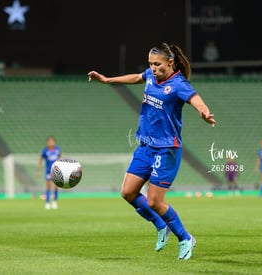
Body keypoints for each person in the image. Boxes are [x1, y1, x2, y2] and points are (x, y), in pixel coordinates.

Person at [88, 42, 216, 260]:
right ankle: (160, 225)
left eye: (157, 64)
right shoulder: (151, 75)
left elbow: (196, 100)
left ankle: (185, 238)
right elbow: (137, 77)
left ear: (170, 62)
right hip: (145, 146)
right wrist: (108, 80)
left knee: (155, 202)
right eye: (150, 64)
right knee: (128, 192)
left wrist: (204, 112)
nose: (153, 68)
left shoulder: (178, 84)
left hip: (166, 149)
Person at [37, 136, 61, 210]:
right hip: (48, 171)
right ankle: (47, 203)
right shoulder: (45, 151)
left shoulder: (57, 149)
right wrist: (38, 170)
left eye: (52, 141)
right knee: (48, 187)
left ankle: (54, 202)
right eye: (49, 141)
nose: (51, 143)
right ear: (47, 143)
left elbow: (60, 159)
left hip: (56, 171)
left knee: (56, 187)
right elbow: (40, 160)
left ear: (54, 142)